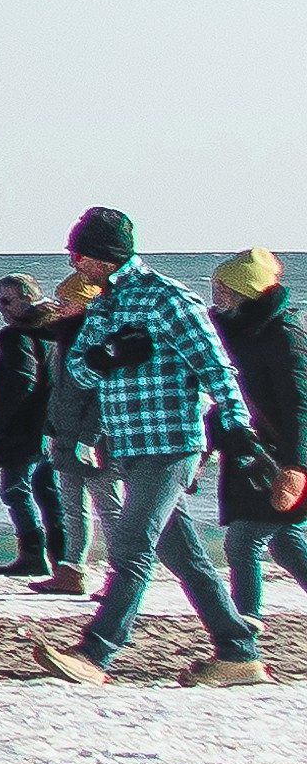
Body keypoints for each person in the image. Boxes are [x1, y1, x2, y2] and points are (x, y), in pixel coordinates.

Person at [41, 207, 267, 686]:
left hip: (171, 445)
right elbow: (79, 372)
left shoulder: (168, 300)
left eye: (77, 252)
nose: (72, 262)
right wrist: (108, 355)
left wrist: (238, 425)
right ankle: (237, 652)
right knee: (185, 557)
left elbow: (216, 368)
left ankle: (95, 652)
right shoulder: (105, 305)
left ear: (102, 255)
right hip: (127, 447)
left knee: (130, 549)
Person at [215, 248, 300, 634]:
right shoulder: (238, 331)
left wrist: (297, 465)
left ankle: (243, 625)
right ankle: (243, 622)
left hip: (282, 456)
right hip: (253, 451)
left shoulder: (283, 335)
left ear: (244, 290)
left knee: (244, 539)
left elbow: (299, 404)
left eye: (224, 286)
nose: (216, 293)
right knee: (284, 541)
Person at [0, 273, 85, 581]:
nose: (1, 307)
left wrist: (4, 424)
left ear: (28, 300)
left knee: (15, 490)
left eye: (7, 300)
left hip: (24, 429)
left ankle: (32, 555)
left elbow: (23, 381)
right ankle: (61, 558)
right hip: (50, 426)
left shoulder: (17, 337)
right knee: (48, 492)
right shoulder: (54, 332)